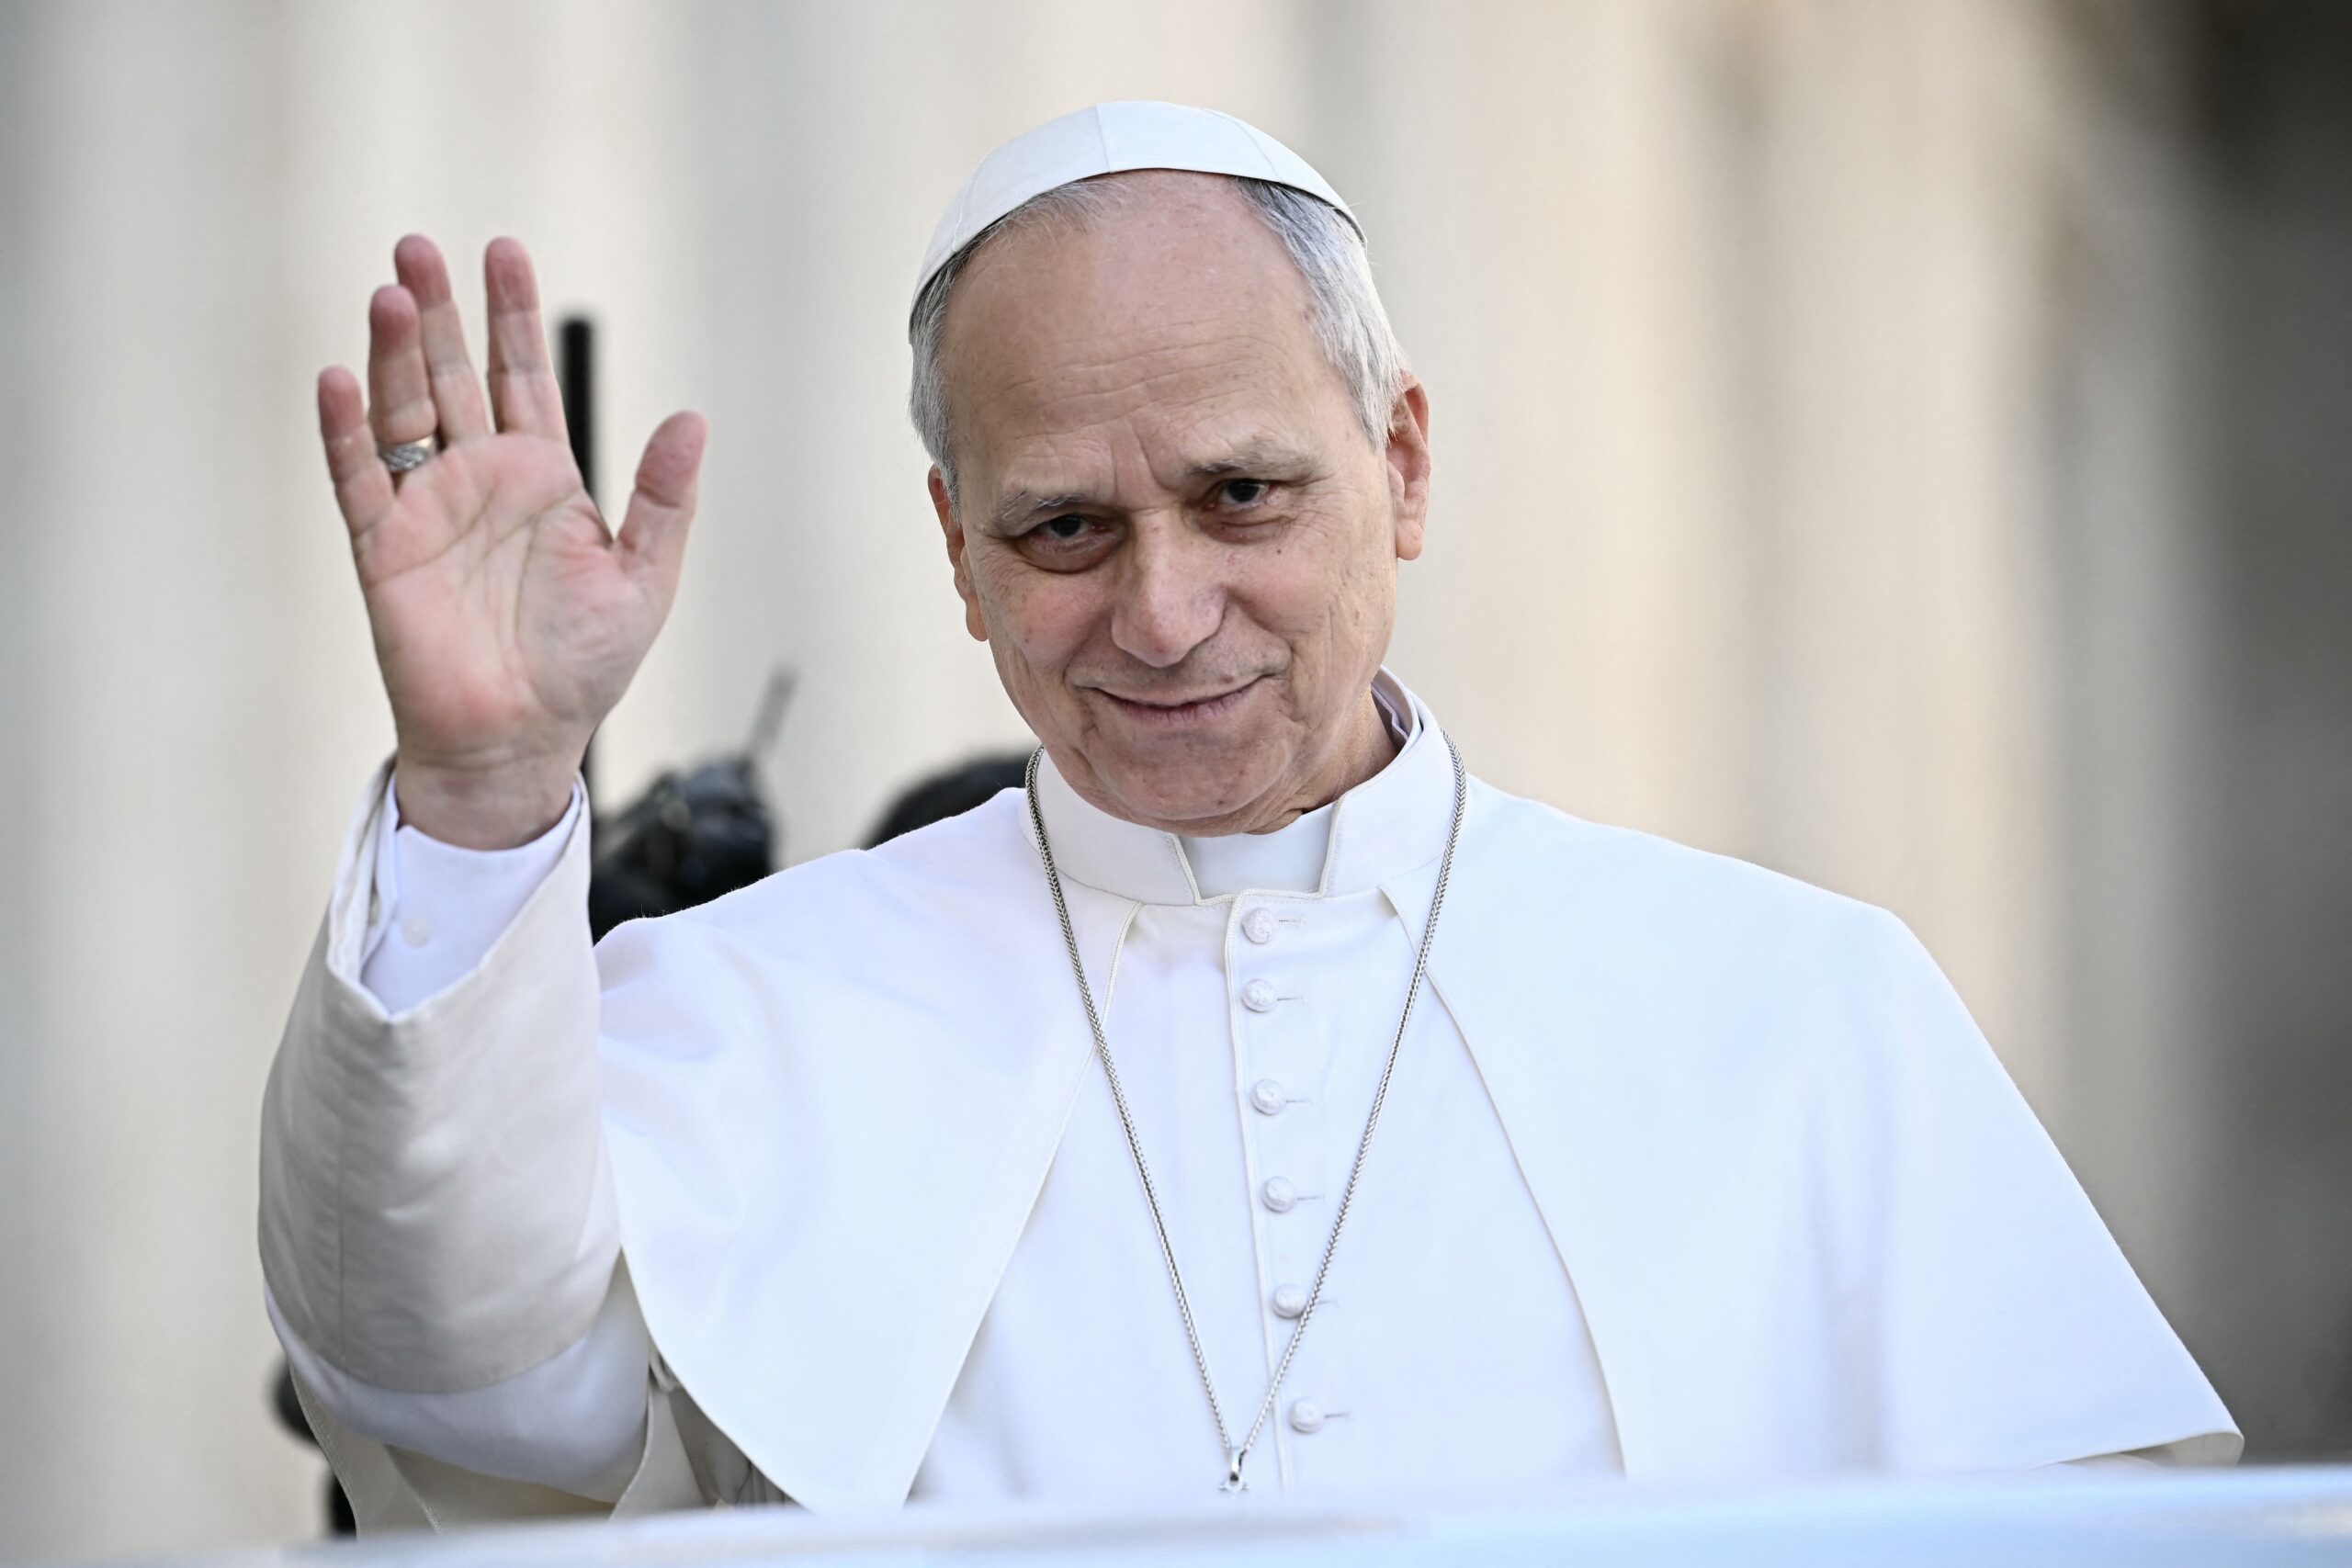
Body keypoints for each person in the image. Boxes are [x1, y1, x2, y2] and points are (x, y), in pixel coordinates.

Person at [260, 102, 2235, 1531]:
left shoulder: (1797, 1011)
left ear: (1399, 461)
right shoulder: (744, 1004)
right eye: (1061, 528)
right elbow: (455, 1392)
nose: (1162, 610)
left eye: (1241, 495)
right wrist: (488, 785)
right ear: (954, 550)